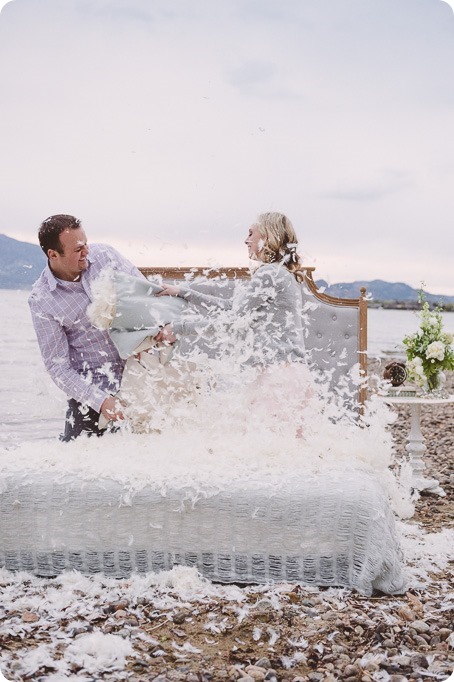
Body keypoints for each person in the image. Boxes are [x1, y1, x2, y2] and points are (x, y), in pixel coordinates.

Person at [29, 214, 145, 441]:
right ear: (53, 255)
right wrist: (102, 402)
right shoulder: (41, 300)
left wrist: (147, 336)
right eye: (78, 249)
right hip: (94, 387)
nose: (87, 252)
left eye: (86, 244)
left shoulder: (106, 256)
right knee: (75, 458)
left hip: (141, 368)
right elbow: (57, 367)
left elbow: (144, 294)